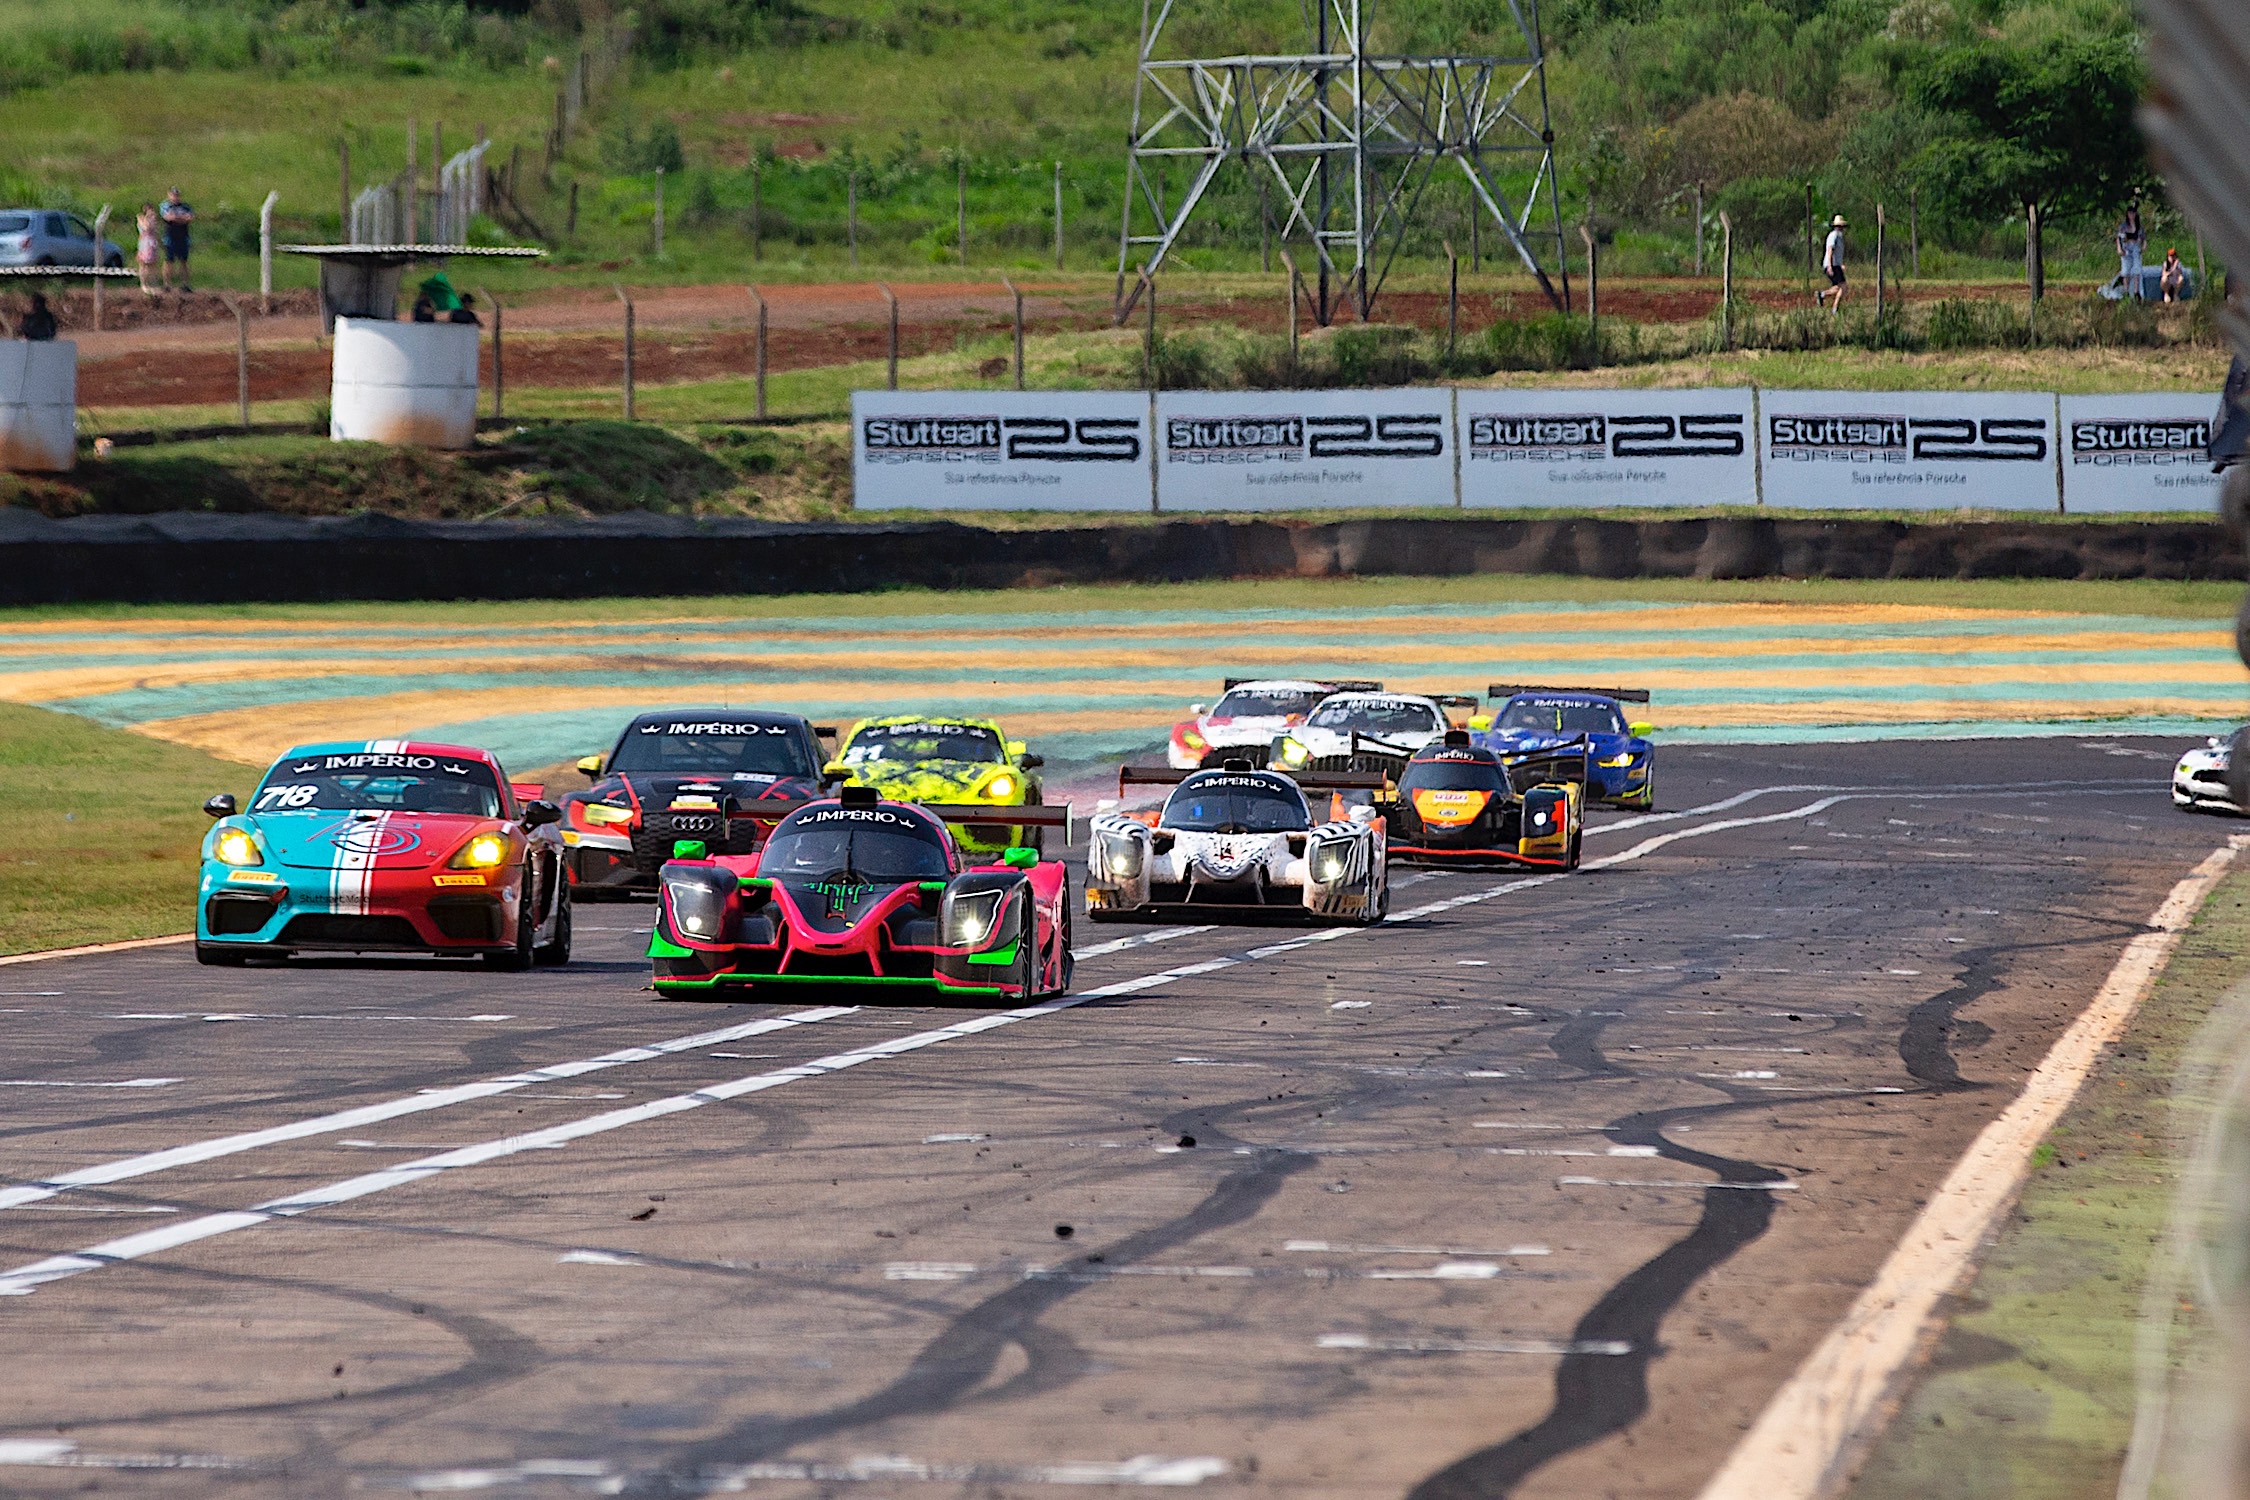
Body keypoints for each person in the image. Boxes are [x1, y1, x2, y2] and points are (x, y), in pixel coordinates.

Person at [159, 186, 193, 293]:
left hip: (183, 236)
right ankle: (167, 284)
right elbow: (168, 217)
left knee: (184, 260)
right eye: (173, 195)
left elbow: (190, 217)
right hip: (170, 236)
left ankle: (185, 284)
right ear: (169, 195)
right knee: (169, 260)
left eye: (177, 195)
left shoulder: (186, 206)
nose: (175, 197)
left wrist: (177, 218)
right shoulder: (165, 205)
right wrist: (181, 218)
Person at [2116, 201, 2146, 300]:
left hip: (2136, 249)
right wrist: (2119, 249)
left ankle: (2136, 291)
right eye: (2129, 213)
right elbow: (2119, 238)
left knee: (2137, 270)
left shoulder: (2139, 227)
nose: (2131, 215)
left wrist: (2143, 246)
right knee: (2125, 270)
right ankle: (2126, 291)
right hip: (2126, 249)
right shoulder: (2123, 226)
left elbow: (2143, 238)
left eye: (2133, 213)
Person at [1818, 214, 1847, 312]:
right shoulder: (1834, 235)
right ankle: (1835, 308)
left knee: (1838, 287)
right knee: (1843, 287)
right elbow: (1830, 250)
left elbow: (1838, 253)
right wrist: (1830, 265)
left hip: (1836, 265)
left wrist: (1840, 264)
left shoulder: (1839, 236)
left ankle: (1822, 294)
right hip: (1832, 265)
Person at [133, 203, 159, 295]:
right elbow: (146, 228)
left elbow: (156, 231)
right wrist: (148, 218)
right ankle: (144, 284)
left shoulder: (153, 220)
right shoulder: (141, 218)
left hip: (152, 242)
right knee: (143, 264)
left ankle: (153, 284)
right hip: (144, 243)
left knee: (153, 265)